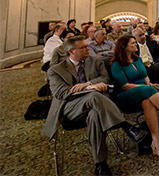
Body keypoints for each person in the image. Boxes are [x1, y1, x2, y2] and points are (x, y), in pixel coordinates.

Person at [43, 36, 147, 176]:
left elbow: (105, 79)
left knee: (94, 115)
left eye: (87, 46)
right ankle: (125, 126)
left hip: (97, 107)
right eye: (84, 47)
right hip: (69, 108)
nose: (88, 49)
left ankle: (100, 165)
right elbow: (62, 93)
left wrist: (86, 84)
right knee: (93, 95)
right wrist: (90, 88)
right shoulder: (56, 70)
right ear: (71, 51)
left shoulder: (95, 61)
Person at [110, 36, 159, 160]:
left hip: (144, 93)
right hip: (126, 96)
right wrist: (147, 87)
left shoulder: (138, 59)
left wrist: (149, 85)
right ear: (124, 47)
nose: (136, 44)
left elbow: (146, 78)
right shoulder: (116, 65)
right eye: (133, 43)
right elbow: (125, 86)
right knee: (149, 91)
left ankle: (156, 143)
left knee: (148, 102)